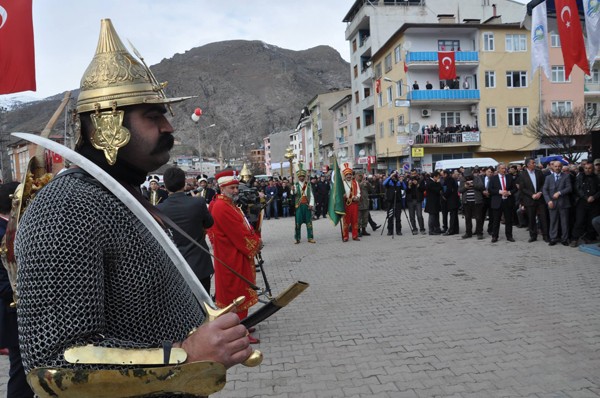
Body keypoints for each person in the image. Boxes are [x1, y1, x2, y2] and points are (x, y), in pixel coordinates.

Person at [14, 19, 252, 396]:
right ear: (108, 124)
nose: (169, 128)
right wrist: (186, 355)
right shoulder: (66, 209)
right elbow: (55, 363)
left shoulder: (122, 196)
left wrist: (207, 331)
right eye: (153, 116)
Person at [208, 170, 261, 343]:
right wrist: (255, 243)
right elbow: (237, 232)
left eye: (237, 187)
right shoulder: (222, 207)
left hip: (232, 253)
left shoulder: (226, 203)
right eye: (233, 187)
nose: (236, 191)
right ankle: (239, 331)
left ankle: (242, 324)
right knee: (236, 292)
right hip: (231, 256)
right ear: (223, 188)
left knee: (238, 289)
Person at [0, 182, 34, 398]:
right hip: (13, 313)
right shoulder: (4, 231)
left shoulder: (12, 228)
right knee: (21, 375)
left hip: (19, 313)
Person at [157, 167, 214, 294]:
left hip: (174, 268)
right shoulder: (198, 202)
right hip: (200, 264)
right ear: (184, 183)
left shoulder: (158, 209)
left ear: (165, 185)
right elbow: (209, 223)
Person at [518, 158, 549, 243]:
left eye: (534, 163)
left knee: (543, 217)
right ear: (528, 164)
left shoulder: (539, 172)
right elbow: (522, 188)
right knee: (531, 218)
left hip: (540, 198)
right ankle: (533, 236)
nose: (534, 164)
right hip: (529, 199)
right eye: (533, 163)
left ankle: (545, 235)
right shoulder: (522, 174)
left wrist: (540, 192)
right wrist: (532, 195)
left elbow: (544, 184)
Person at [543, 160, 573, 246]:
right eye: (555, 166)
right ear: (552, 167)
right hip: (552, 204)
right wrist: (548, 201)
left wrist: (559, 193)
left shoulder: (566, 176)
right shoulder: (548, 178)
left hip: (564, 204)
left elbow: (569, 188)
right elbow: (545, 190)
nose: (557, 168)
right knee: (553, 222)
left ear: (561, 167)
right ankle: (553, 238)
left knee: (564, 222)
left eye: (559, 166)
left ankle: (565, 239)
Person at [570, 162, 600, 246]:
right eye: (586, 168)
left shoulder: (597, 177)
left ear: (593, 168)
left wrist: (594, 197)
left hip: (595, 203)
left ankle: (588, 237)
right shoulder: (580, 177)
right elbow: (577, 188)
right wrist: (586, 197)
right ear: (583, 168)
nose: (587, 170)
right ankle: (574, 239)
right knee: (579, 220)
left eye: (589, 168)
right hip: (582, 202)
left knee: (591, 221)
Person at [489, 163, 517, 242]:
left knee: (508, 220)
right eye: (502, 168)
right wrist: (499, 192)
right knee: (496, 220)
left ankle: (509, 236)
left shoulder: (509, 177)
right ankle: (495, 236)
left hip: (508, 201)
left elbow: (514, 188)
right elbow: (490, 190)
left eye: (505, 168)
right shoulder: (493, 178)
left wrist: (509, 192)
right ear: (498, 169)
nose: (504, 170)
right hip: (497, 202)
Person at [291, 165, 316, 244]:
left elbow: (311, 195)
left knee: (309, 222)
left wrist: (311, 204)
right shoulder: (295, 185)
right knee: (298, 223)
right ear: (298, 177)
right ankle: (297, 238)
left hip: (307, 206)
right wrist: (292, 190)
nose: (301, 177)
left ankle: (310, 237)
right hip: (299, 206)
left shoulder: (308, 185)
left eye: (303, 176)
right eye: (300, 176)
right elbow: (293, 193)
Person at [459, 173, 484, 239]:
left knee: (478, 218)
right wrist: (465, 187)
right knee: (467, 218)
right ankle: (468, 233)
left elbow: (482, 187)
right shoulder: (462, 180)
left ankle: (479, 233)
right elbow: (459, 190)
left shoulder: (477, 178)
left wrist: (473, 185)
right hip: (466, 202)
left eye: (469, 177)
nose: (467, 178)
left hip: (477, 202)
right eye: (466, 177)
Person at [341, 163, 361, 241]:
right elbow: (340, 194)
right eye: (347, 175)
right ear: (345, 176)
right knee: (346, 221)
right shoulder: (342, 183)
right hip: (346, 204)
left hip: (354, 204)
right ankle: (345, 236)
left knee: (355, 220)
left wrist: (357, 197)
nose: (349, 176)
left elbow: (359, 191)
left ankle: (355, 235)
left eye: (350, 174)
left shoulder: (355, 182)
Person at [382, 170, 405, 236]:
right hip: (390, 203)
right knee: (390, 217)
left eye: (395, 175)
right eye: (393, 175)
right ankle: (390, 231)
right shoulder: (389, 182)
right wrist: (390, 177)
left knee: (398, 217)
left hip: (398, 202)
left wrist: (401, 181)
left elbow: (405, 188)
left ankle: (398, 230)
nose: (394, 176)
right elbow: (384, 183)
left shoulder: (398, 182)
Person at [405, 170, 426, 235]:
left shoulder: (420, 180)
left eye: (414, 173)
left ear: (416, 174)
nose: (413, 175)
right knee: (412, 216)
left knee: (419, 215)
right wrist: (409, 185)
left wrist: (417, 184)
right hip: (410, 200)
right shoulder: (407, 180)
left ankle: (422, 229)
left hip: (418, 200)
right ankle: (414, 229)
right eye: (412, 174)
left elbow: (423, 189)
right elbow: (406, 190)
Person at [356, 171, 371, 237]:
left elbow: (370, 189)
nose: (361, 177)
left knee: (365, 217)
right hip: (359, 203)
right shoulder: (355, 183)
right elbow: (356, 188)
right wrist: (362, 183)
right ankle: (358, 231)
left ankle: (364, 230)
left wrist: (368, 184)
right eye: (359, 175)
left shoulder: (364, 182)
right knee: (358, 218)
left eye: (361, 175)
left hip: (365, 202)